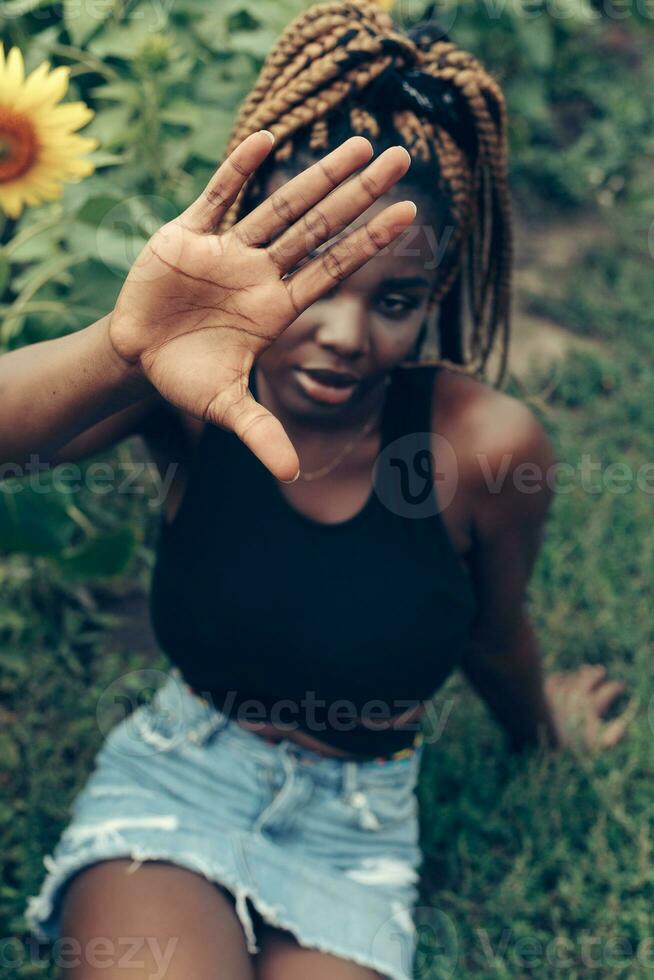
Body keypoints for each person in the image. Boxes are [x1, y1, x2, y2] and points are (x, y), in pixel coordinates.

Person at [8, 3, 626, 978]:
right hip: (182, 772)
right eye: (308, 276)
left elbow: (494, 627)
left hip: (357, 823)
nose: (344, 333)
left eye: (394, 299)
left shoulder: (483, 447)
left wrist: (544, 727)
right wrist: (122, 347)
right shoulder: (189, 388)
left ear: (438, 291)